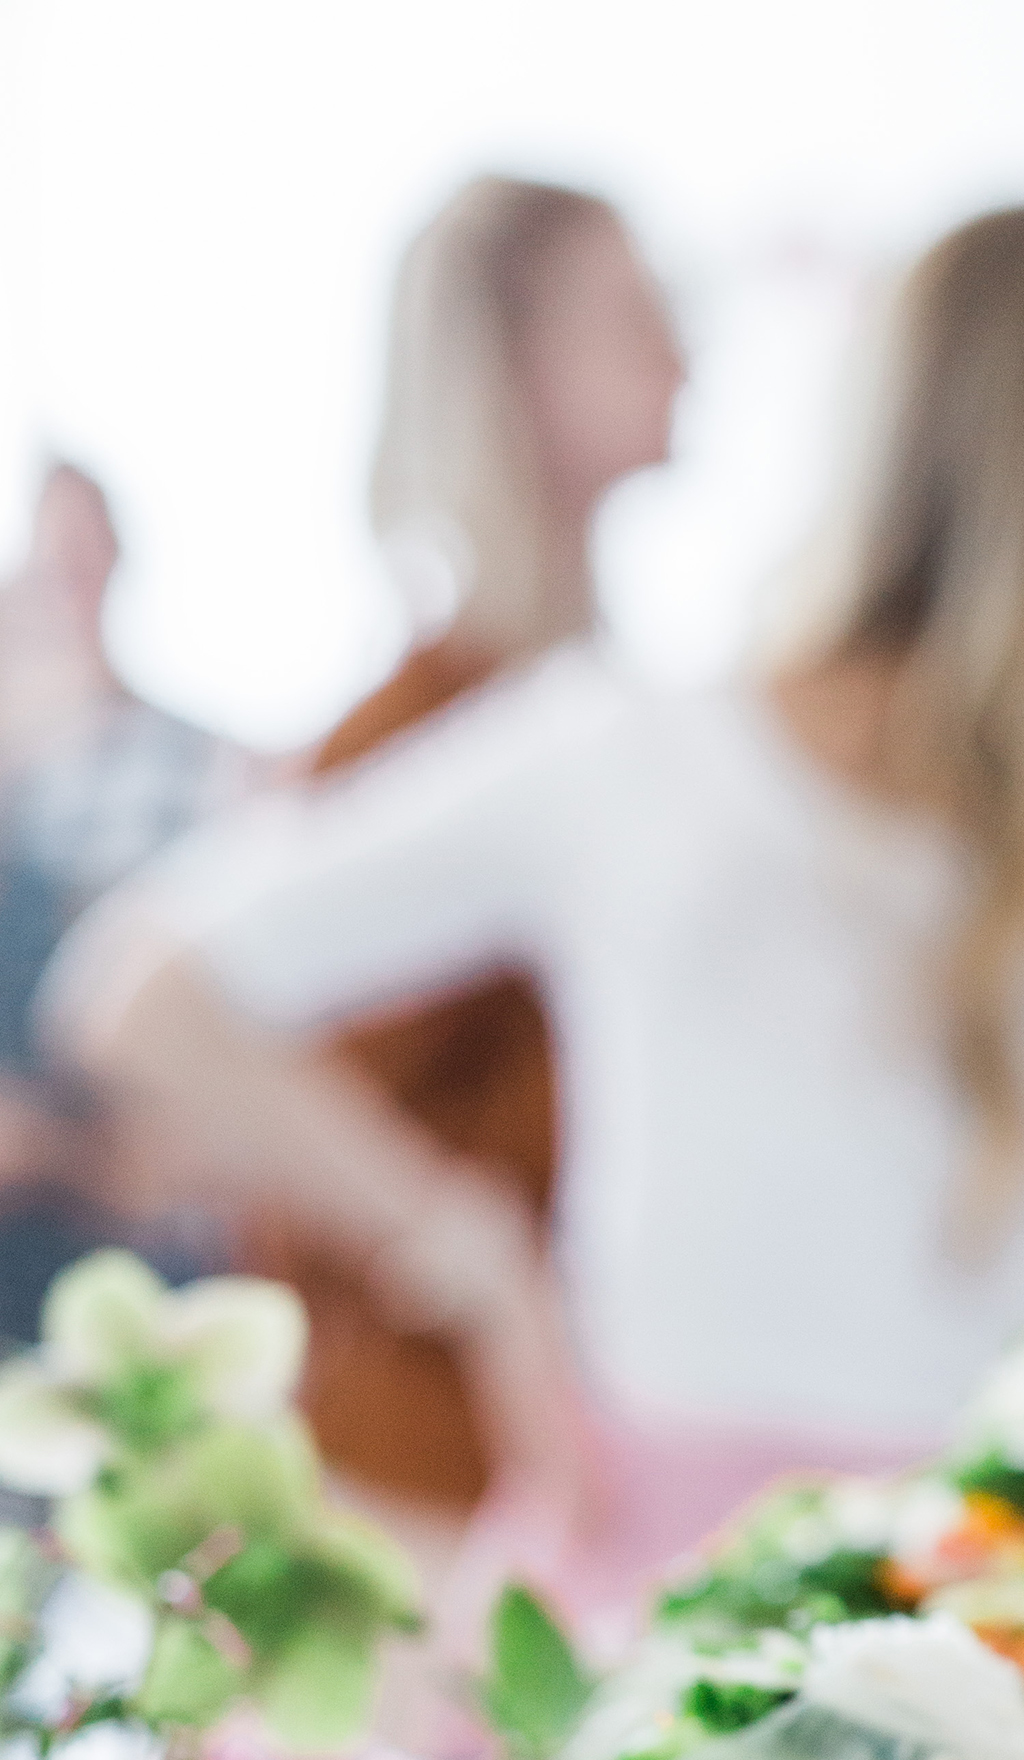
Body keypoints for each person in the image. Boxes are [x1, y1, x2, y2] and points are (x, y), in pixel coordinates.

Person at [50, 204, 1024, 1634]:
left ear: (875, 427)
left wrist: (481, 1263)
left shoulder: (634, 752)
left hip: (696, 1637)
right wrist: (469, 1251)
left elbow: (136, 985)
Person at [243, 175, 686, 1516]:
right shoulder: (411, 741)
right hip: (430, 1484)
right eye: (633, 317)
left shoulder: (622, 725)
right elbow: (246, 1102)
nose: (684, 353)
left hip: (590, 1452)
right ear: (516, 366)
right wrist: (469, 1257)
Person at [0, 463, 245, 1341]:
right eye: (47, 553)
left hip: (145, 1176)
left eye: (85, 545)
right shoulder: (20, 775)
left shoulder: (197, 759)